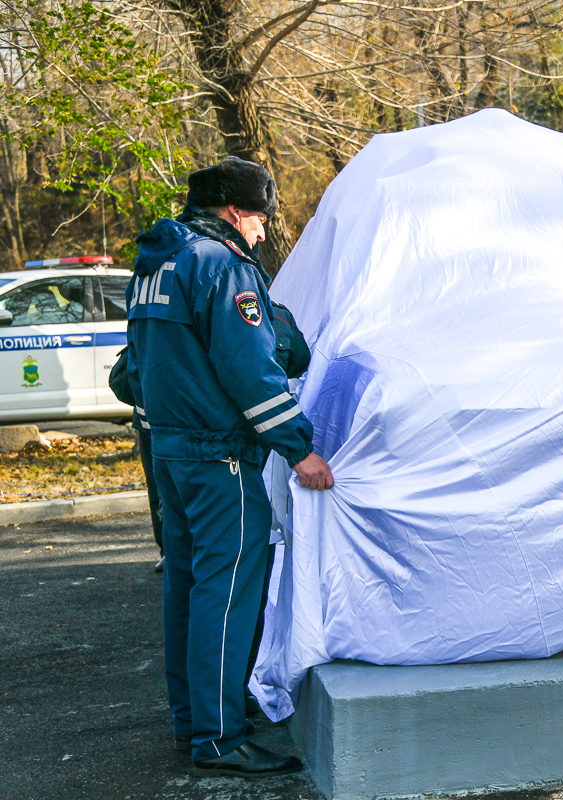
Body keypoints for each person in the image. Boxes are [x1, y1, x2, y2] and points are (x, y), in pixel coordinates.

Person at [126, 156, 334, 777]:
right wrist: (299, 449)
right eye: (263, 219)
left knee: (186, 587)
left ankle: (194, 718)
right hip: (219, 457)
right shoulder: (222, 266)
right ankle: (219, 738)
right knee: (227, 589)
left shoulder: (157, 261)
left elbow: (129, 368)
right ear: (236, 212)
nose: (266, 233)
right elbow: (253, 370)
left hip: (168, 453)